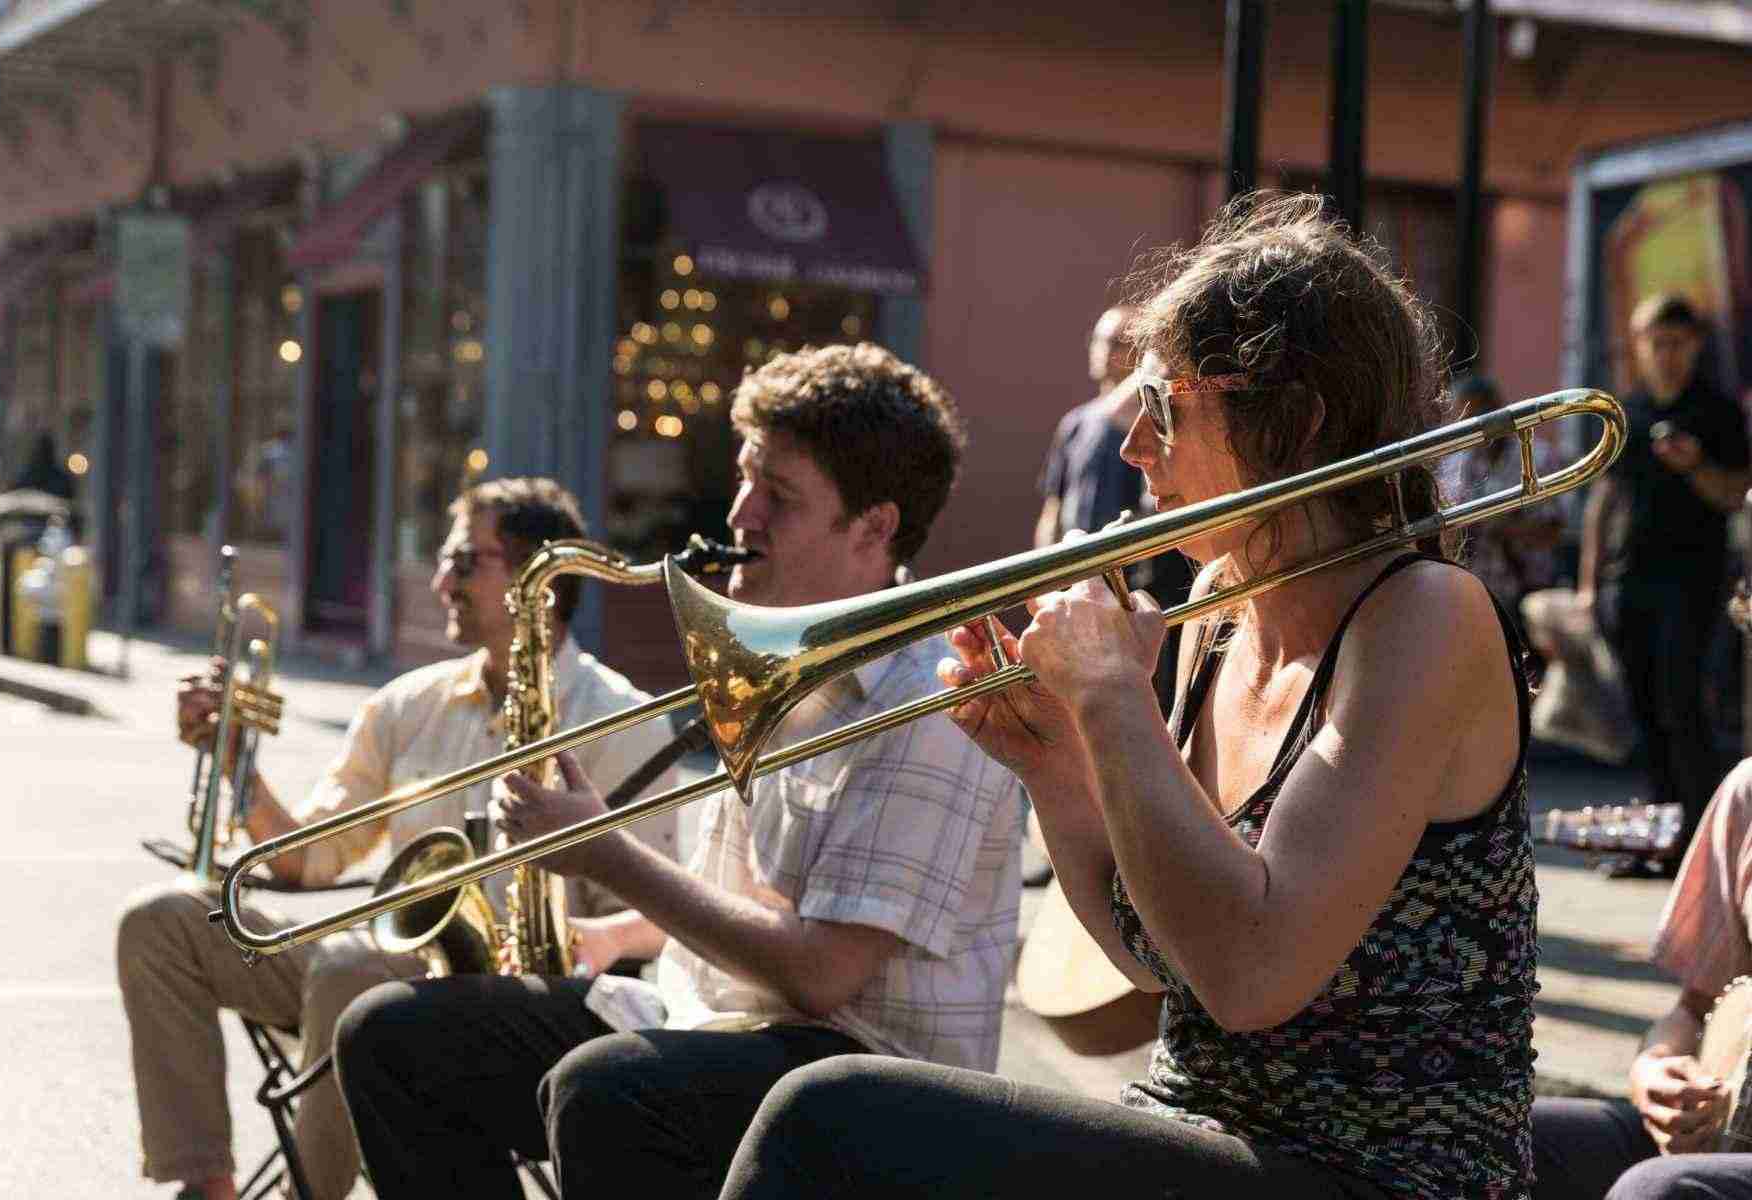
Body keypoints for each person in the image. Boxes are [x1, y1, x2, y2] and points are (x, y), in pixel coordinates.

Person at [717, 192, 1538, 1200]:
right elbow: (1159, 963)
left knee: (828, 1115)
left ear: (1298, 420)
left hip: (1381, 1175)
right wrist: (1058, 766)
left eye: (1162, 411)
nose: (1132, 451)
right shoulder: (1215, 607)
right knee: (638, 1099)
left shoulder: (1427, 616)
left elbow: (1250, 975)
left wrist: (1113, 702)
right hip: (1205, 1132)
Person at [333, 343, 1024, 1200]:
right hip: (720, 1021)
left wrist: (604, 855)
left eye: (780, 495)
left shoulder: (932, 699)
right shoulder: (778, 657)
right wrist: (608, 937)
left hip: (869, 1085)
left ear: (874, 527)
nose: (741, 513)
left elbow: (821, 975)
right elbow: (746, 906)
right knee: (392, 1036)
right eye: (744, 479)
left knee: (608, 1090)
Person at [115, 477, 683, 1200]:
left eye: (465, 560)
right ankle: (209, 1185)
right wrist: (235, 760)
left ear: (536, 581)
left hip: (514, 1007)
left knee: (352, 972)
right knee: (160, 921)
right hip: (366, 970)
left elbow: (660, 918)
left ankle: (304, 1195)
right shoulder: (408, 704)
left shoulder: (619, 719)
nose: (441, 577)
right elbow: (306, 858)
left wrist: (592, 936)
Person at [1532, 576, 1752, 1199]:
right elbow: (1692, 1010)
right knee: (1505, 1140)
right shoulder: (1747, 793)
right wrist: (1655, 1072)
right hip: (1729, 1131)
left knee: (1661, 1189)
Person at [1577, 294, 1750, 873]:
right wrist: (1587, 583)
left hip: (1694, 582)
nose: (1667, 354)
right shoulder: (1630, 409)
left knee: (1682, 708)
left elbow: (1733, 495)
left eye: (1678, 342)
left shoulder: (1717, 410)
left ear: (1694, 345)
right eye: (1657, 342)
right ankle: (1655, 839)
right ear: (1639, 343)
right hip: (1630, 581)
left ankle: (1697, 851)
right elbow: (1605, 498)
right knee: (1643, 713)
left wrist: (1694, 465)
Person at [1037, 305, 1191, 710]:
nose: (1108, 352)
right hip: (1076, 576)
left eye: (1121, 344)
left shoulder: (1144, 423)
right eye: (1102, 341)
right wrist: (1042, 575)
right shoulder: (1074, 423)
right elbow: (1054, 506)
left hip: (1133, 588)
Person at [1452, 374, 1563, 624]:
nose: (1471, 426)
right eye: (1464, 418)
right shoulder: (1458, 464)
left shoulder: (1538, 458)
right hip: (1476, 592)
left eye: (1479, 414)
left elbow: (1554, 530)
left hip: (1528, 593)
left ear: (1497, 410)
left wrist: (1502, 527)